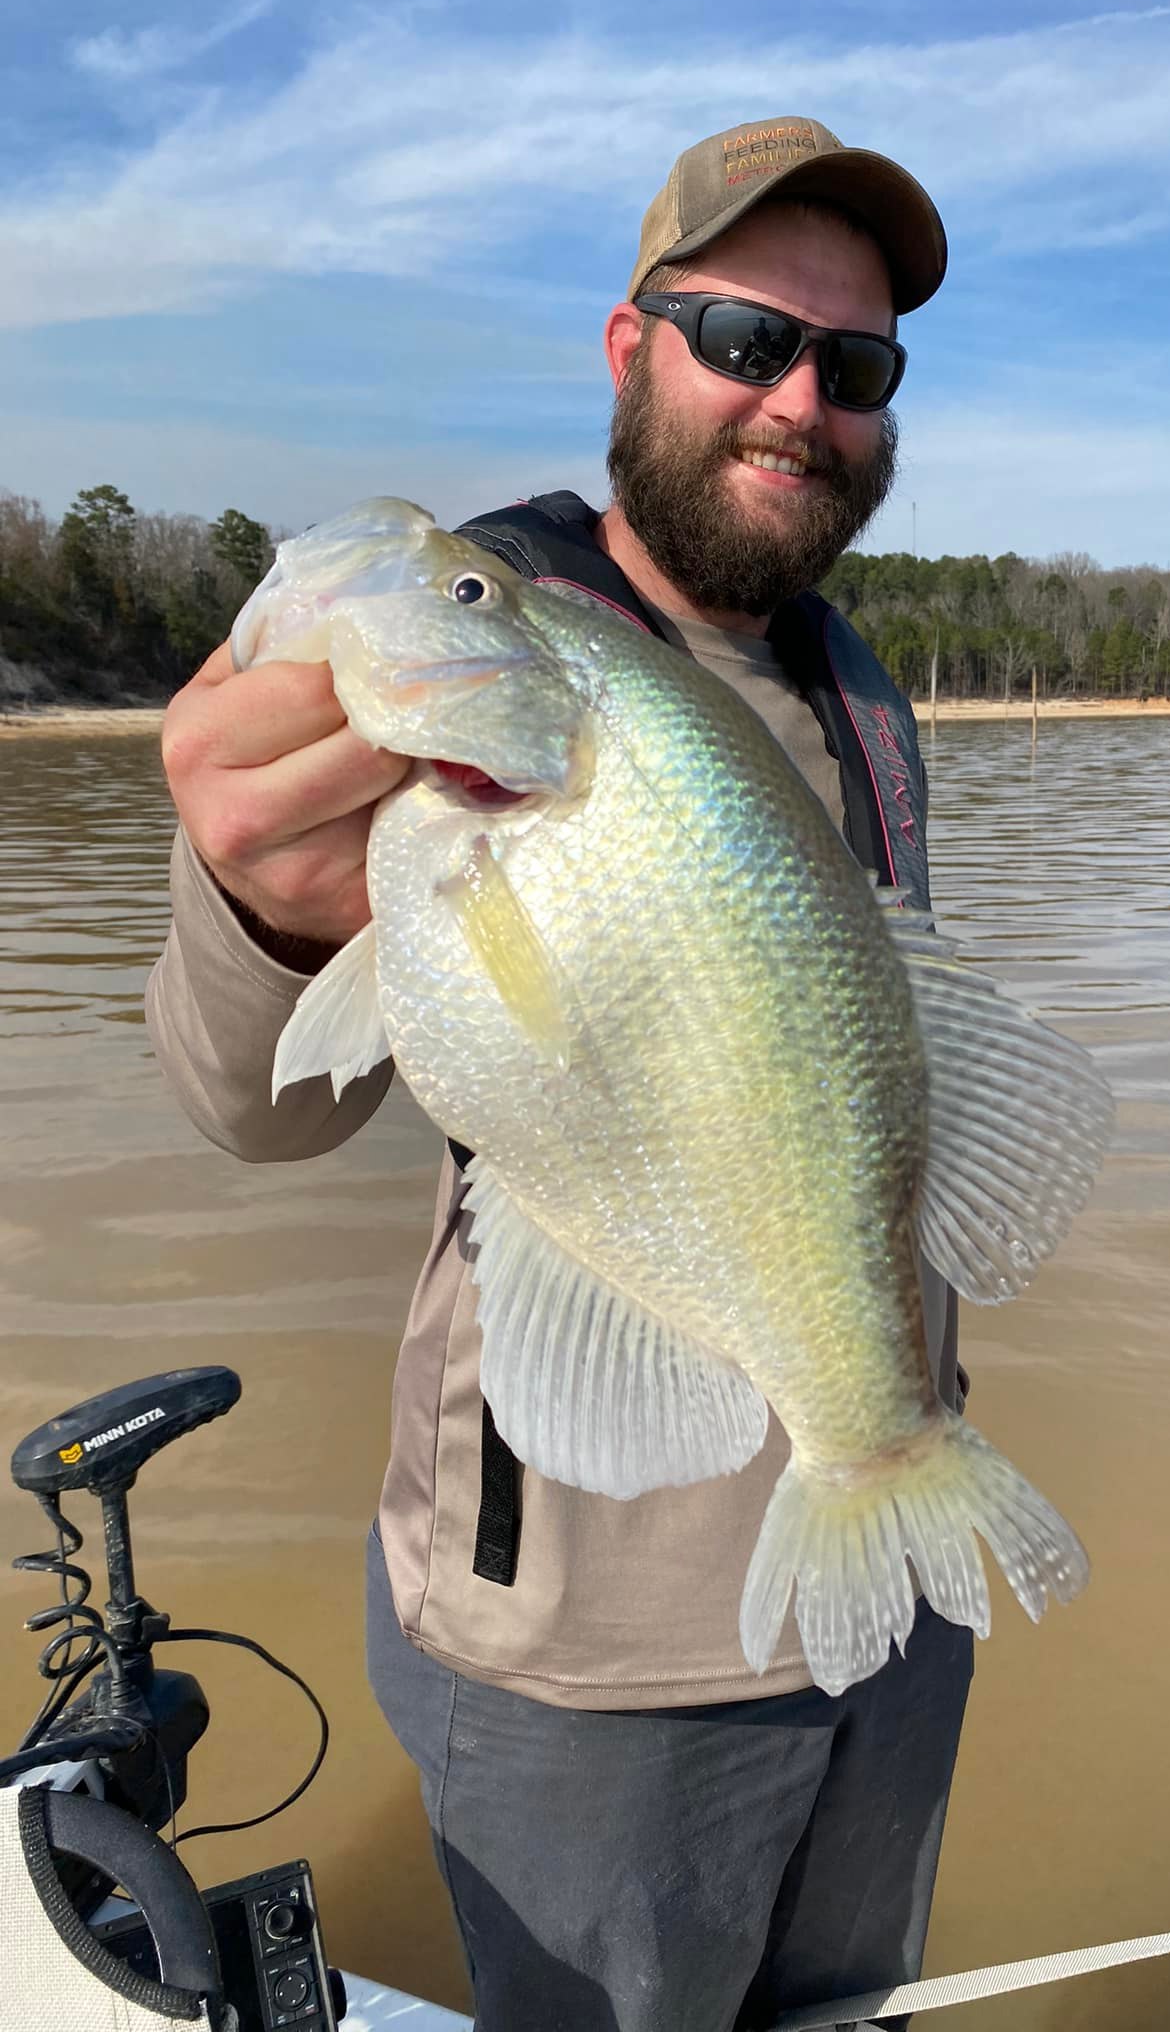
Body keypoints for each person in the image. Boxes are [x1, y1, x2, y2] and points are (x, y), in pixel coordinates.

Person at [148, 116, 966, 2032]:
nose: (801, 406)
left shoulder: (859, 685)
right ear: (631, 346)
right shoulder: (476, 664)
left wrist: (893, 1436)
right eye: (748, 339)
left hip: (884, 1527)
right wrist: (258, 909)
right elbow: (259, 1104)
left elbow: (876, 1087)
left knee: (855, 2013)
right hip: (589, 1642)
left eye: (855, 370)